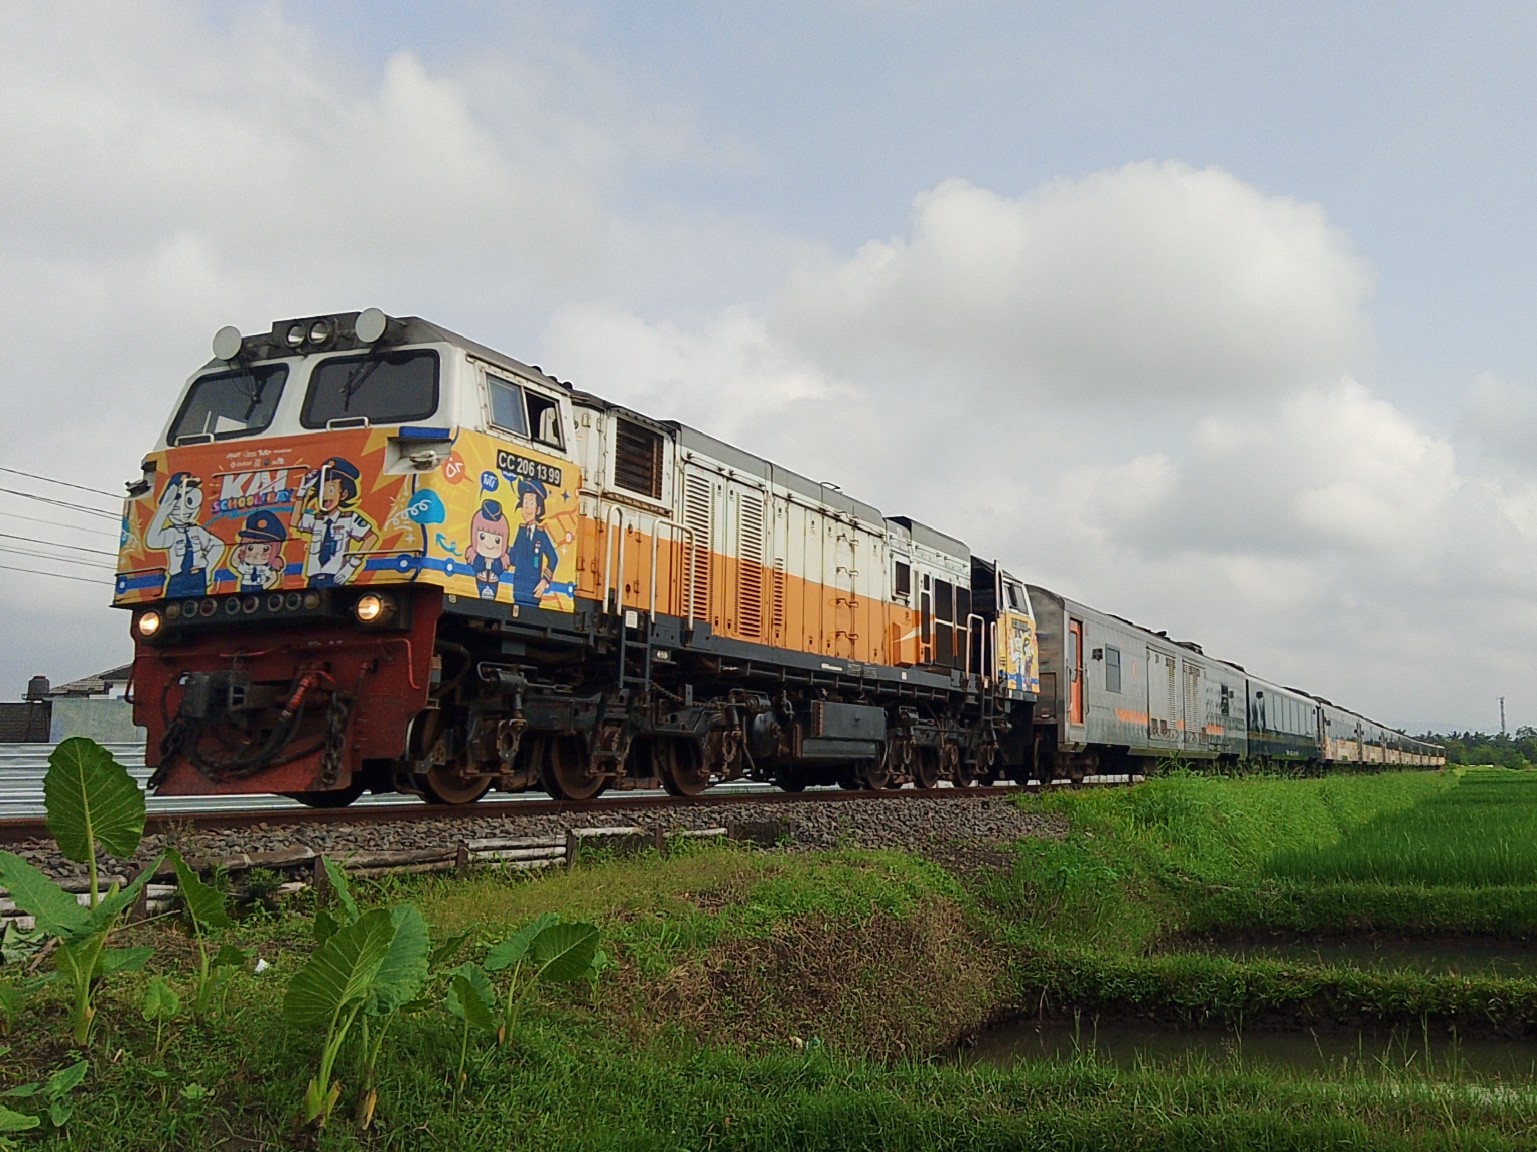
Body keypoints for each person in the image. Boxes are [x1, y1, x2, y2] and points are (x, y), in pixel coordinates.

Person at [292, 457, 376, 587]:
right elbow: (295, 522)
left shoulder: (349, 518)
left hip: (335, 578)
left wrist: (350, 567)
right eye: (322, 491)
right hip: (313, 580)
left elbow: (370, 538)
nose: (326, 496)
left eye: (331, 490)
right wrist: (302, 492)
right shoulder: (316, 519)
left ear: (343, 494)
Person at [146, 472, 224, 598]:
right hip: (177, 579)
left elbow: (217, 545)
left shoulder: (196, 531)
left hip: (199, 576)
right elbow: (152, 541)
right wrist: (162, 512)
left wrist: (208, 568)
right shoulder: (171, 533)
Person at [507, 476, 559, 606]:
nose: (527, 508)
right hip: (518, 587)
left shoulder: (541, 534)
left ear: (538, 509)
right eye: (525, 502)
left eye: (531, 503)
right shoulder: (521, 531)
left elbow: (553, 558)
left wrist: (544, 582)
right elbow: (513, 558)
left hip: (534, 588)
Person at [229, 509, 288, 593]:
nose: (256, 553)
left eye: (265, 549)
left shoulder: (265, 568)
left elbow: (273, 577)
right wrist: (239, 549)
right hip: (245, 587)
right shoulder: (247, 567)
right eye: (250, 548)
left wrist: (263, 587)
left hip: (259, 587)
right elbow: (234, 562)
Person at [464, 499, 512, 600]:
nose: (489, 545)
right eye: (482, 536)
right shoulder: (476, 557)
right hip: (480, 578)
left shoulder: (500, 561)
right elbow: (477, 566)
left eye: (497, 540)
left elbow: (499, 569)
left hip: (494, 581)